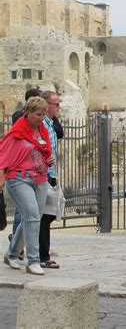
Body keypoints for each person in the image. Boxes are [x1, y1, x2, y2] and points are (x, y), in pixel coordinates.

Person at [1, 97, 53, 275]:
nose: (41, 118)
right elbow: (3, 157)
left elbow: (44, 151)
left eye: (44, 114)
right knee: (32, 217)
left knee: (31, 218)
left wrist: (49, 159)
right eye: (38, 114)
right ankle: (33, 261)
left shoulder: (42, 131)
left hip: (41, 180)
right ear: (28, 113)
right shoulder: (16, 133)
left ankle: (12, 253)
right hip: (19, 179)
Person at [9, 88, 41, 240]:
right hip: (20, 173)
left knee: (33, 214)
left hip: (36, 173)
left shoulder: (41, 125)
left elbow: (59, 133)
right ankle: (18, 242)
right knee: (24, 212)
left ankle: (18, 246)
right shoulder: (18, 118)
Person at [38, 90, 63, 269]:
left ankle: (15, 251)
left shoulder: (51, 124)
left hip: (51, 174)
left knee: (44, 216)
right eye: (56, 104)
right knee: (43, 217)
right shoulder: (42, 125)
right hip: (43, 175)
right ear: (47, 105)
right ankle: (42, 256)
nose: (59, 107)